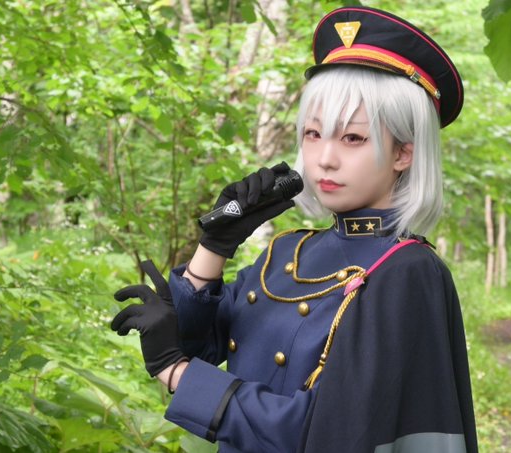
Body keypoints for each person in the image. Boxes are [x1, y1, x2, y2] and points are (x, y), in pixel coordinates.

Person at [111, 5, 478, 453]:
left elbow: (327, 432)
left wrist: (176, 373)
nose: (324, 158)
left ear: (404, 153)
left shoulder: (407, 271)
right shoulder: (288, 253)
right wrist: (214, 247)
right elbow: (200, 347)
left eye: (352, 138)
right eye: (313, 134)